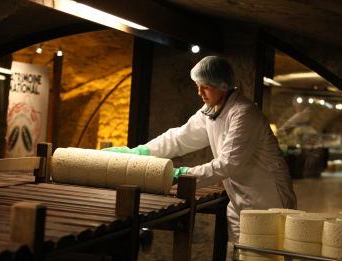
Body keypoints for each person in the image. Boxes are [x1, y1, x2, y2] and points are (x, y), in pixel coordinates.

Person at [103, 56, 297, 243]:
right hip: (239, 199)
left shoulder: (244, 114)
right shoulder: (210, 111)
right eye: (198, 87)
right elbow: (178, 139)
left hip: (267, 198)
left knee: (266, 255)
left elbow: (226, 165)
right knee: (241, 254)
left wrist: (179, 175)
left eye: (205, 87)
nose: (199, 93)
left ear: (224, 85)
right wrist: (140, 152)